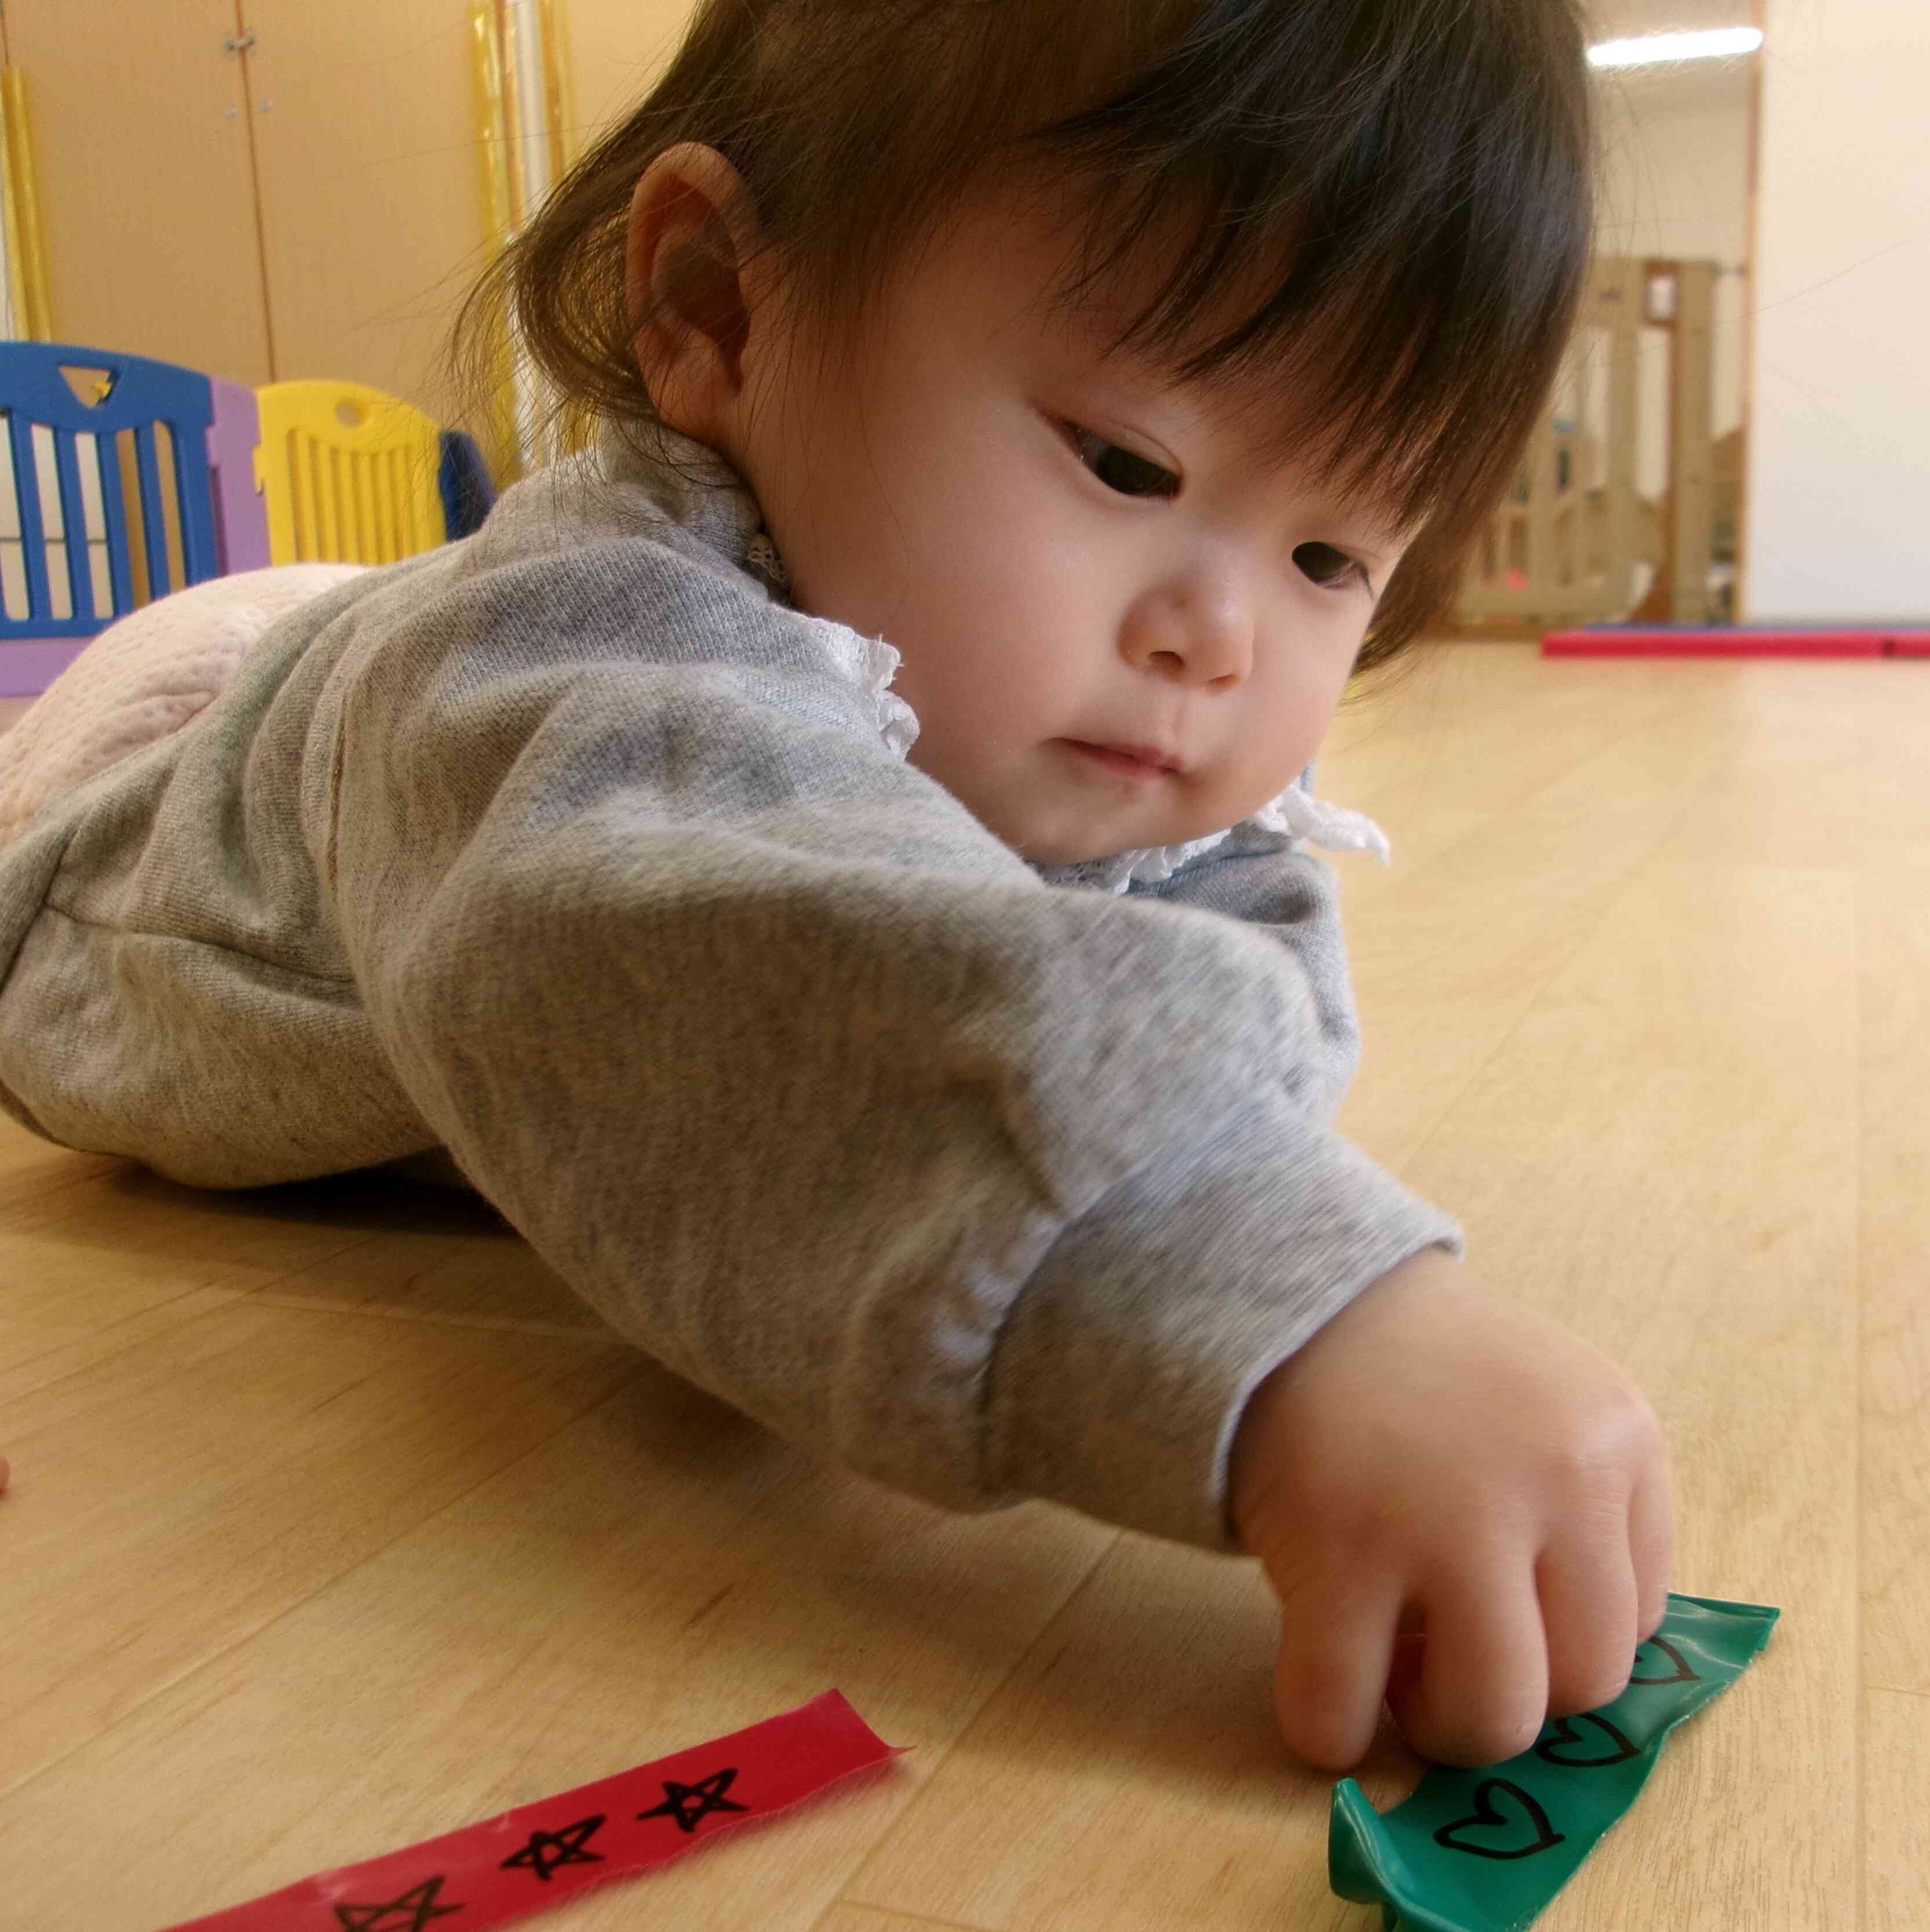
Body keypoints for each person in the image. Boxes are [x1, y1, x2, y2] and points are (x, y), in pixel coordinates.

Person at [0, 0, 1672, 1773]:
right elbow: (706, 928)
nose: (1217, 634)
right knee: (449, 694)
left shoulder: (1104, 718)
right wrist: (1285, 1323)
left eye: (1332, 554)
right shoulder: (581, 663)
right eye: (1127, 463)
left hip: (409, 720)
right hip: (152, 796)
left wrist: (1308, 1272)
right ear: (719, 302)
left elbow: (1202, 1031)